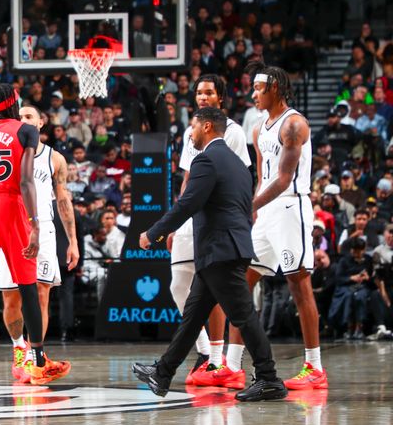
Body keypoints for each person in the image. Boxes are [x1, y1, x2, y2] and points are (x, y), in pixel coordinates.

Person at [134, 107, 287, 402]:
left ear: (206, 127)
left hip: (220, 250)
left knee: (243, 315)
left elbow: (187, 204)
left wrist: (153, 233)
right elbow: (245, 208)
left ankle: (269, 378)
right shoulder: (240, 167)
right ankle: (163, 373)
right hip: (229, 248)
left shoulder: (206, 160)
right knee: (193, 318)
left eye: (192, 127)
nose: (190, 133)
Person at [226, 62, 328, 391]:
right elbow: (262, 176)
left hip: (290, 207)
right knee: (242, 284)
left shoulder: (294, 124)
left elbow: (284, 180)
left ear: (275, 89)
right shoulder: (259, 128)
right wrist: (254, 209)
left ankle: (314, 367)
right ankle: (230, 365)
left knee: (299, 286)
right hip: (266, 213)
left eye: (258, 89)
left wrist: (248, 207)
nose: (253, 94)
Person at [0, 83, 64, 391]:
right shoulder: (26, 131)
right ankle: (40, 362)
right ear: (13, 103)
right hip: (11, 206)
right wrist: (33, 224)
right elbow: (25, 180)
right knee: (28, 288)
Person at [169, 74, 252, 388]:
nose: (202, 97)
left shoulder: (231, 131)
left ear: (221, 97)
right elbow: (188, 178)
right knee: (179, 285)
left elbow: (239, 178)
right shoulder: (193, 131)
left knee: (215, 286)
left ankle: (219, 360)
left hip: (216, 217)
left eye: (208, 92)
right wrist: (176, 222)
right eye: (199, 92)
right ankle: (205, 353)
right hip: (192, 214)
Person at [0, 105, 79, 382]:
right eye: (18, 117)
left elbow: (64, 200)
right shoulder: (5, 152)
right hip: (11, 228)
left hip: (43, 228)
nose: (23, 120)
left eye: (29, 116)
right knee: (12, 297)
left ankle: (36, 357)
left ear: (41, 123)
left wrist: (73, 241)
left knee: (42, 294)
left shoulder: (55, 159)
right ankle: (19, 348)